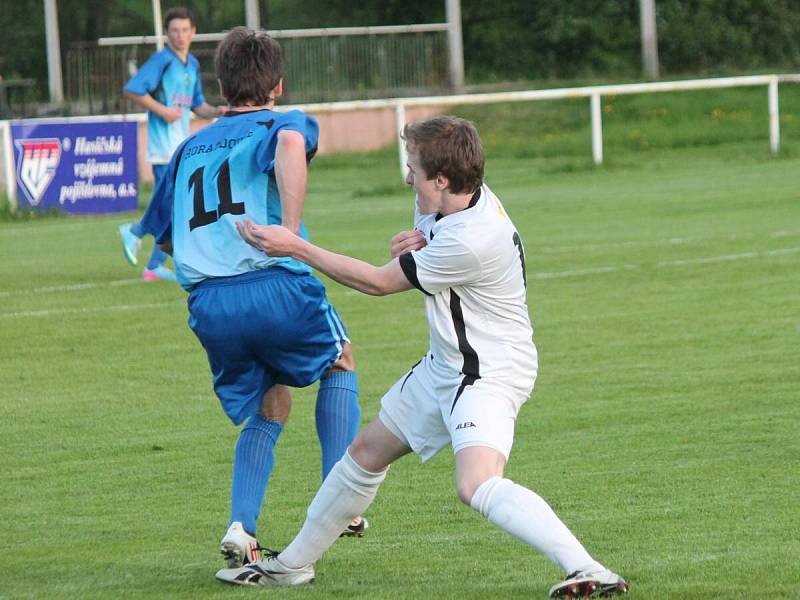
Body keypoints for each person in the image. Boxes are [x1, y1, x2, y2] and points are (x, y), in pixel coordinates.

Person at [223, 116, 629, 598]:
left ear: (442, 180)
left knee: (475, 484)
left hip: (486, 373)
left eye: (413, 168)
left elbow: (377, 282)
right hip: (447, 364)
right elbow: (427, 237)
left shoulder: (472, 238)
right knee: (365, 453)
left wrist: (296, 247)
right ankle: (290, 566)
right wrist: (419, 242)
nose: (406, 177)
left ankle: (589, 569)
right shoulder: (452, 197)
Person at [146, 26, 365, 567]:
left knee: (271, 402)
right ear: (279, 85)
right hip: (271, 282)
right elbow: (291, 144)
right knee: (339, 360)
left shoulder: (188, 147)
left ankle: (241, 527)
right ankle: (342, 503)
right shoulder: (281, 120)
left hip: (208, 304)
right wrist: (288, 231)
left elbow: (166, 234)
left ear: (220, 85)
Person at [119, 6, 222, 281]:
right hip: (163, 145)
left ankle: (151, 261)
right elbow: (132, 89)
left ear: (194, 32)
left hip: (180, 144)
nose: (180, 36)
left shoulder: (193, 64)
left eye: (185, 30)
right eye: (174, 31)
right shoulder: (162, 61)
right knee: (174, 205)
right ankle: (137, 236)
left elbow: (197, 103)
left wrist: (217, 112)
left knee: (174, 207)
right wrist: (161, 110)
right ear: (166, 34)